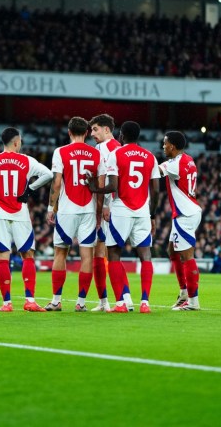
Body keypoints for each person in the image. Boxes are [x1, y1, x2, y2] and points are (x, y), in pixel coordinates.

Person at [0, 126, 53, 312]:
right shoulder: (27, 161)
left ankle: (6, 303)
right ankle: (30, 300)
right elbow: (48, 174)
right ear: (16, 142)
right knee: (28, 255)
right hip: (20, 213)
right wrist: (30, 189)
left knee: (2, 258)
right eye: (20, 140)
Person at [87, 121, 161, 313]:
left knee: (114, 254)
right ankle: (145, 303)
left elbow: (112, 186)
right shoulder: (150, 157)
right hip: (143, 210)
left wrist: (95, 188)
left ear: (121, 136)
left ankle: (120, 302)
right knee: (145, 256)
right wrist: (152, 214)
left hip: (121, 209)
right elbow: (156, 190)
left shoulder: (116, 154)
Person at [44, 116, 103, 312]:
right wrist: (99, 212)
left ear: (69, 132)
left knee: (60, 252)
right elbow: (101, 186)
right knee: (87, 255)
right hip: (88, 209)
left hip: (67, 210)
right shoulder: (96, 153)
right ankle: (81, 302)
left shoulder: (60, 152)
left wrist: (51, 207)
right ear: (86, 133)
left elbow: (57, 182)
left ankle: (56, 300)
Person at [158, 131, 203, 311]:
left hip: (185, 214)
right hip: (189, 212)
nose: (163, 146)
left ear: (173, 146)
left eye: (165, 143)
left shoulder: (175, 165)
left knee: (186, 256)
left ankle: (193, 301)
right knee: (172, 251)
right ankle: (184, 293)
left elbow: (155, 172)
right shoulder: (187, 159)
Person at [88, 114, 120, 311]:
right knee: (114, 253)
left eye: (95, 129)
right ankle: (123, 300)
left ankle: (105, 302)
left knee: (99, 252)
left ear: (107, 129)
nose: (92, 134)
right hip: (124, 206)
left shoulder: (103, 149)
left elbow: (106, 179)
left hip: (106, 207)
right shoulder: (121, 148)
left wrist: (105, 205)